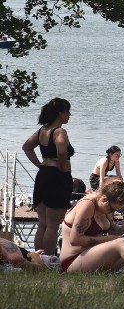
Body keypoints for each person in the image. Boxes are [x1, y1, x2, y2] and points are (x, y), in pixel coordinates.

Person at [21, 98, 75, 253]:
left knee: (42, 223)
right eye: (67, 111)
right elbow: (62, 150)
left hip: (43, 176)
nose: (69, 115)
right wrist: (63, 167)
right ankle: (49, 259)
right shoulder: (59, 131)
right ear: (60, 113)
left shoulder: (42, 131)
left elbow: (27, 147)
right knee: (53, 225)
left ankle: (38, 258)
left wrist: (40, 165)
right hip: (57, 178)